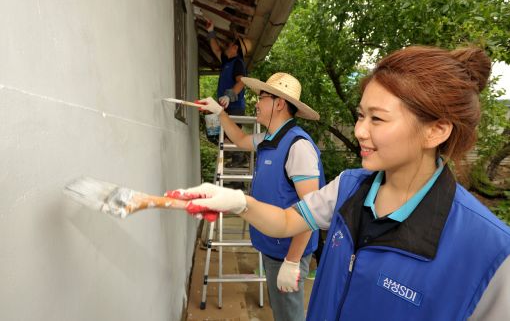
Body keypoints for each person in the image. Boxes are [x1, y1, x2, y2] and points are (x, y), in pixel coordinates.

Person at [175, 46, 510, 320]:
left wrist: (293, 261)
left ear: (436, 130)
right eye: (361, 115)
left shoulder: (490, 253)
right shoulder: (349, 187)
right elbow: (289, 219)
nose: (360, 130)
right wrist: (238, 203)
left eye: (377, 118)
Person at [195, 72, 326, 321]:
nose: (256, 102)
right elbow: (242, 139)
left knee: (289, 316)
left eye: (262, 97)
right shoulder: (270, 140)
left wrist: (292, 261)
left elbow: (312, 210)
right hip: (272, 248)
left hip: (287, 252)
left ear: (278, 103)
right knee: (281, 312)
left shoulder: (298, 146)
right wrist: (219, 112)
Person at [206, 18, 252, 169]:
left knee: (232, 136)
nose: (227, 46)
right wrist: (210, 31)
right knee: (221, 136)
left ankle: (240, 160)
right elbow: (216, 50)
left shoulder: (238, 63)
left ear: (236, 49)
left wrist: (229, 95)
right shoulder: (227, 61)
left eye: (230, 44)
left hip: (235, 107)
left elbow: (242, 81)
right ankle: (237, 161)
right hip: (226, 107)